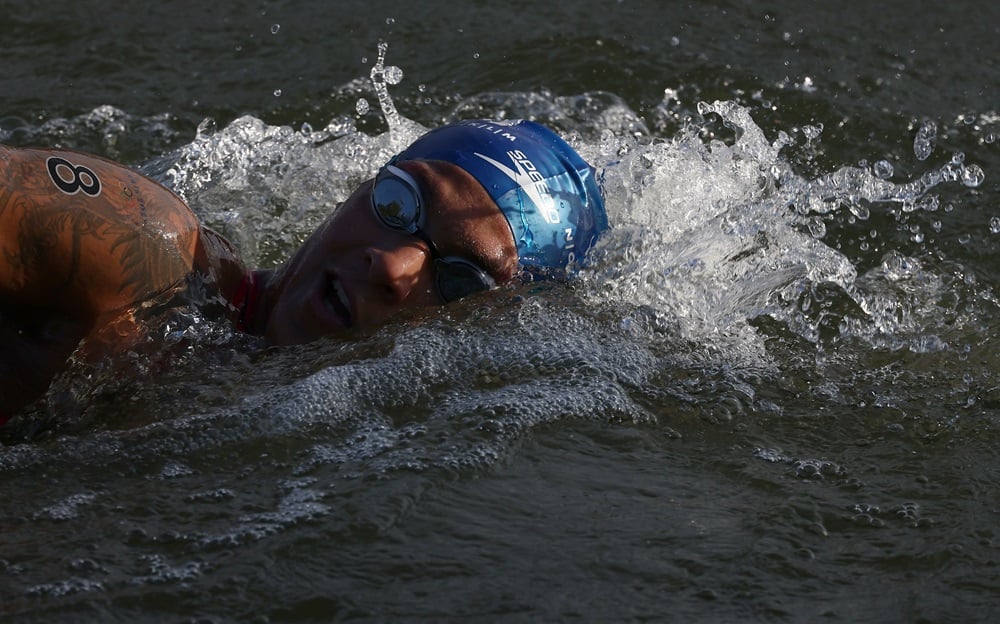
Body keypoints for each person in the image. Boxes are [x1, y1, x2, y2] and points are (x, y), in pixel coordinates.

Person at [0, 119, 608, 422]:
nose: (393, 267)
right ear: (355, 188)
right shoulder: (142, 252)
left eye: (459, 278)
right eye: (399, 204)